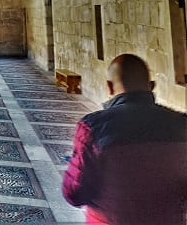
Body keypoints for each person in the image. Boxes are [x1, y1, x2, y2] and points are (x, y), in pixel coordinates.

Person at [62, 54, 187, 224]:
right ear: (151, 86)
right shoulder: (182, 124)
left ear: (109, 87)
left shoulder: (93, 127)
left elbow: (74, 192)